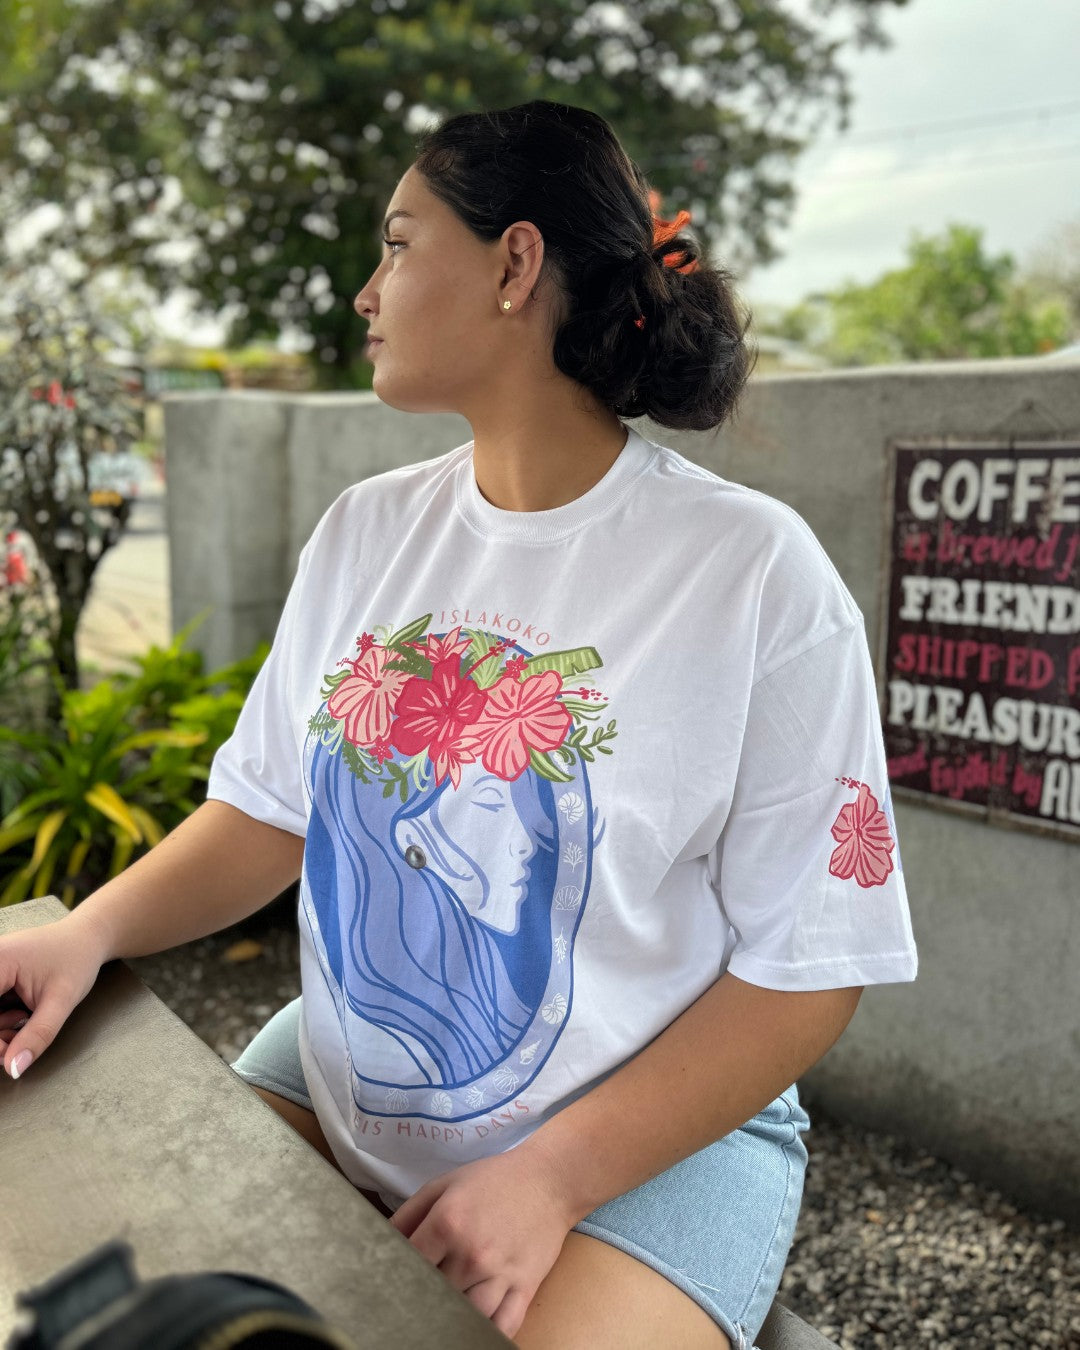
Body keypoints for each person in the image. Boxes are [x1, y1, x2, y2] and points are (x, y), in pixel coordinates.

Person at [0, 100, 918, 1349]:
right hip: (348, 1083)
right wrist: (90, 932)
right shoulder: (368, 530)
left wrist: (552, 1178)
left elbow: (813, 965)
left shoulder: (753, 573)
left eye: (394, 243)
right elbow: (269, 815)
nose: (366, 292)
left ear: (515, 263)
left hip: (639, 1152)